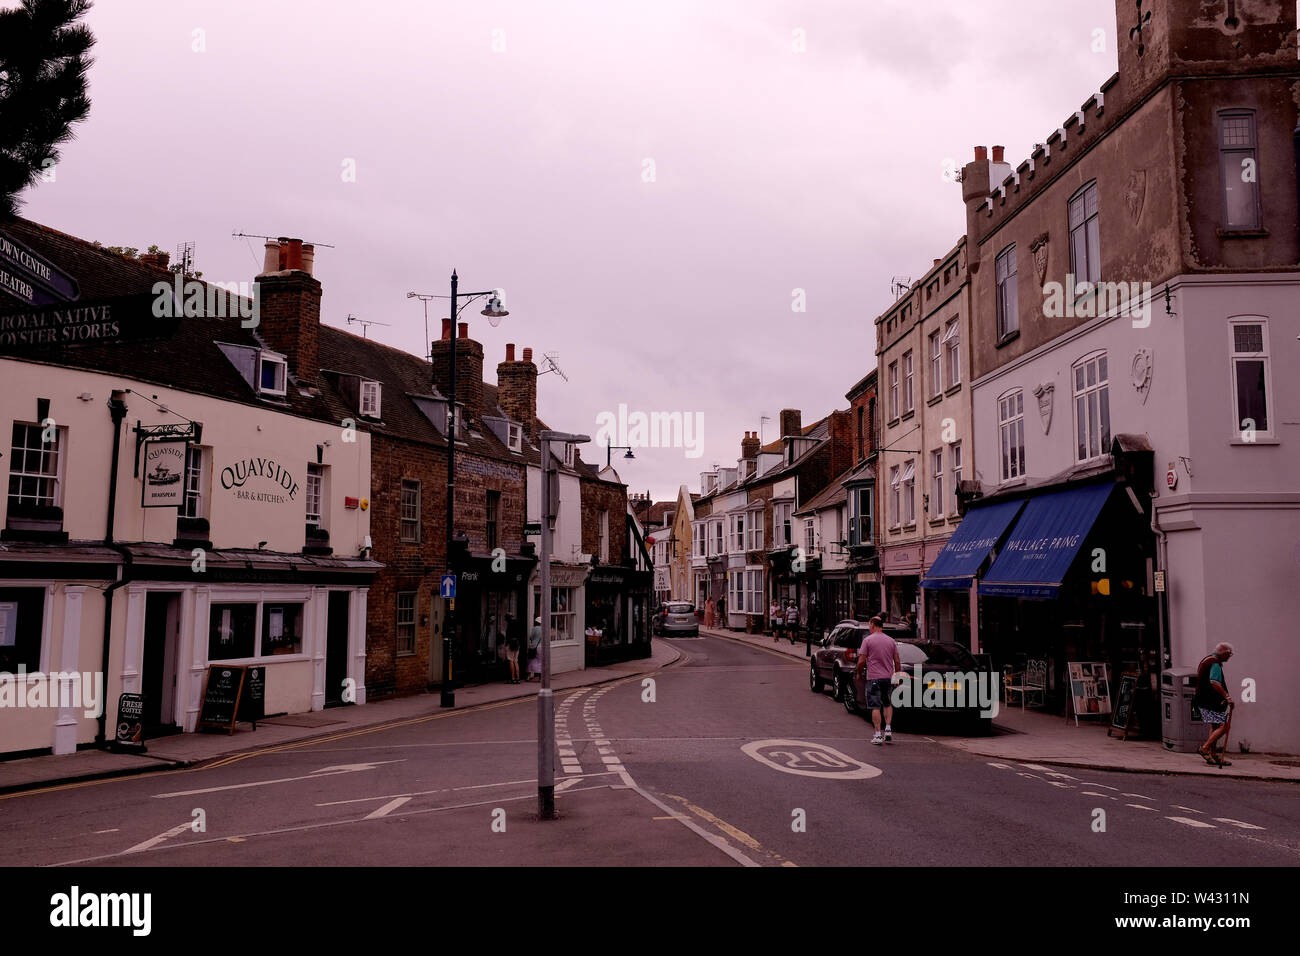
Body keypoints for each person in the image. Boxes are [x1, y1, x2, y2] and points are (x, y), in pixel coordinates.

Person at [854, 615, 902, 745]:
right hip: (888, 678)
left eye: (870, 626)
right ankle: (888, 729)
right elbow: (897, 661)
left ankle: (877, 734)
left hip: (874, 678)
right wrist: (897, 677)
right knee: (887, 703)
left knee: (875, 706)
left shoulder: (868, 640)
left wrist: (859, 673)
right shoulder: (891, 641)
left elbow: (861, 661)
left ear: (873, 625)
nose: (869, 628)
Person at [1194, 642, 1235, 766]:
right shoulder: (1215, 663)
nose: (1229, 657)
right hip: (1210, 701)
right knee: (1224, 727)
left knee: (1215, 726)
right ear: (1224, 653)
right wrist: (1227, 697)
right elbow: (1214, 682)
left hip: (1202, 700)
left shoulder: (1206, 659)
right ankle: (1205, 748)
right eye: (1229, 654)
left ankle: (1213, 754)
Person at [504, 615, 522, 684]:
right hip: (517, 643)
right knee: (516, 661)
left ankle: (513, 678)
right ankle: (518, 678)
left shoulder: (509, 625)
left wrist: (506, 644)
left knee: (511, 660)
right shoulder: (517, 624)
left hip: (510, 643)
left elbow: (508, 636)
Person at [525, 616, 543, 681]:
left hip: (533, 646)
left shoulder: (534, 628)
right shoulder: (544, 629)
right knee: (540, 661)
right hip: (541, 647)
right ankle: (540, 678)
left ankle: (528, 676)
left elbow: (531, 637)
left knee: (530, 661)